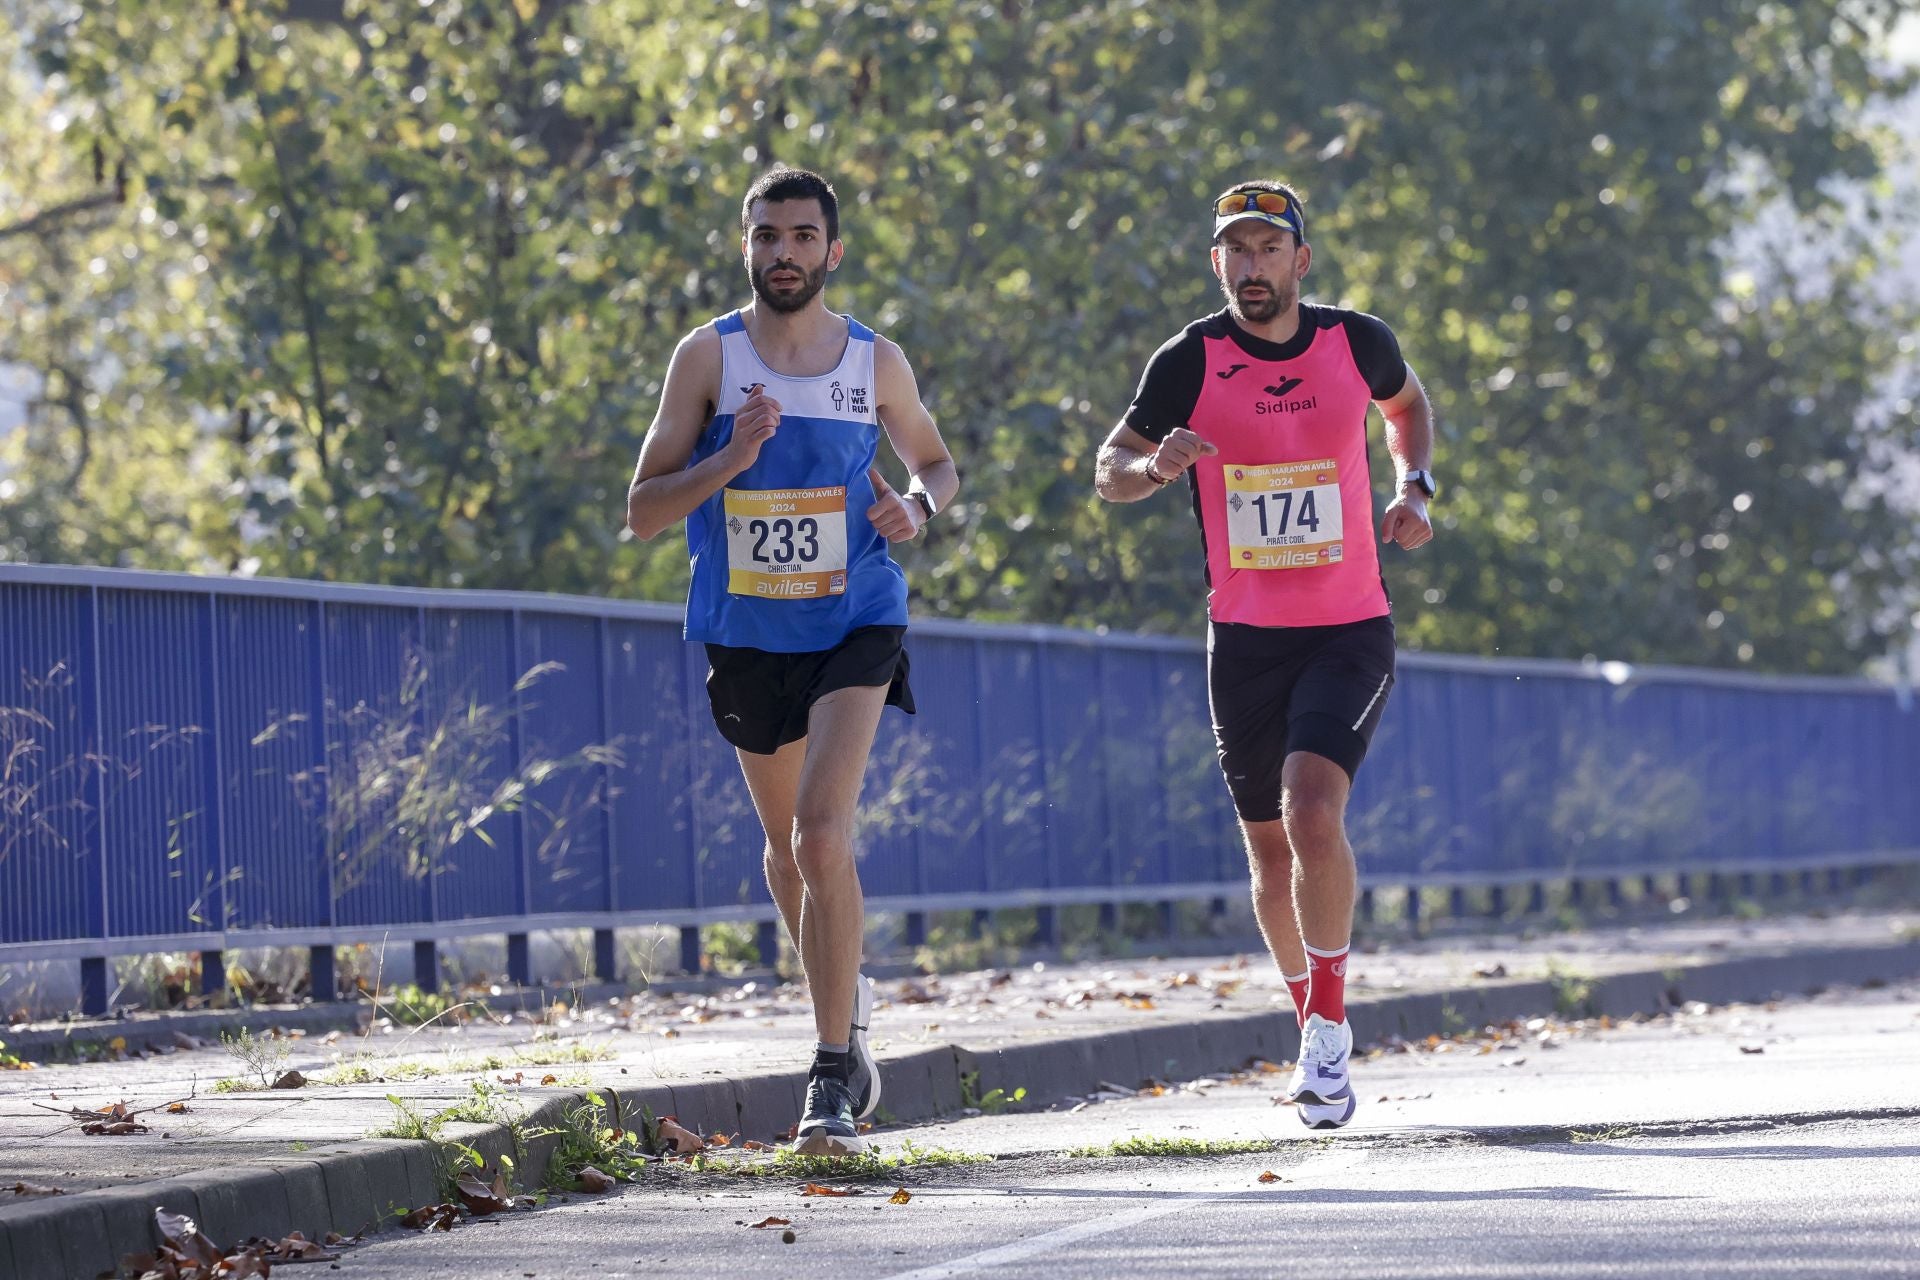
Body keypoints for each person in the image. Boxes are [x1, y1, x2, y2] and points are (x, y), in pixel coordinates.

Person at [626, 166, 959, 1155]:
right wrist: (730, 458)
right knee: (784, 853)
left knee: (820, 835)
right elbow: (642, 511)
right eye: (767, 236)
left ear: (832, 250)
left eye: (803, 236)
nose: (784, 253)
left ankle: (830, 1076)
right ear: (747, 247)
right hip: (748, 631)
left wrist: (917, 508)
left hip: (856, 617)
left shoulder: (874, 360)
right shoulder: (709, 358)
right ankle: (845, 1000)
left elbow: (936, 464)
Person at [1094, 180, 1436, 1130]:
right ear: (1218, 263)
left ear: (1300, 260)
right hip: (1244, 640)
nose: (1253, 266)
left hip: (1349, 627)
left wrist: (1416, 488)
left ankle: (1327, 1032)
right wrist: (1153, 467)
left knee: (1313, 810)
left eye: (1268, 248)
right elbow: (1108, 471)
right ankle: (1314, 1027)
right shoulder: (1189, 359)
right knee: (1268, 846)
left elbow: (1408, 407)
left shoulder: (1355, 341)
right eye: (1236, 251)